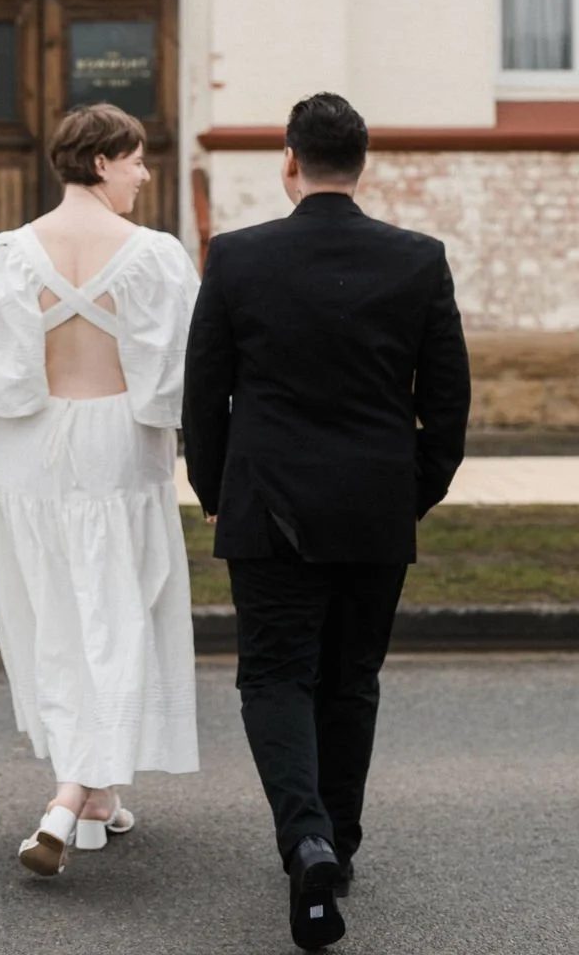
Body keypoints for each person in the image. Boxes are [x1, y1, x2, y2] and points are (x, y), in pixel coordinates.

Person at [182, 93, 471, 951]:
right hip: (376, 503)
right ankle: (335, 845)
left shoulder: (236, 258)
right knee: (352, 678)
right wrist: (414, 487)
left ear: (288, 162)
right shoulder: (419, 261)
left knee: (275, 676)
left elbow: (205, 397)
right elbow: (448, 404)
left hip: (269, 504)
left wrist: (216, 490)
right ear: (362, 164)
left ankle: (304, 834)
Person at [0, 102, 200, 877]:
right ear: (103, 160)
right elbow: (180, 370)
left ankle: (94, 801)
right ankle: (70, 793)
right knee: (118, 614)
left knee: (57, 614)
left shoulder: (11, 253)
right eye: (138, 159)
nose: (146, 174)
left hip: (35, 453)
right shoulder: (155, 256)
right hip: (118, 450)